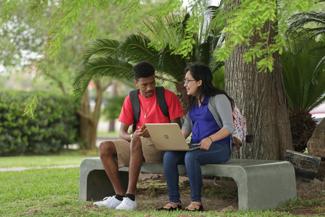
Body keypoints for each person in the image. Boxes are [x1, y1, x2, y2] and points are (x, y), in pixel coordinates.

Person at [93, 61, 184, 210]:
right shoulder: (131, 99)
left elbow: (176, 130)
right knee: (105, 147)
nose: (149, 88)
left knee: (136, 140)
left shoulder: (168, 97)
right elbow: (121, 132)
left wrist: (154, 132)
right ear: (136, 83)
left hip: (160, 147)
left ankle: (130, 197)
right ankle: (119, 196)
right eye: (144, 85)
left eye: (152, 83)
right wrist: (133, 136)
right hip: (136, 145)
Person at [159, 63, 234, 211]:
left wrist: (210, 139)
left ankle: (196, 202)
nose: (185, 84)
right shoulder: (192, 104)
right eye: (185, 80)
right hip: (196, 147)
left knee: (191, 157)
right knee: (169, 156)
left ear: (199, 82)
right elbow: (185, 132)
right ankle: (174, 201)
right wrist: (171, 141)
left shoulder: (218, 98)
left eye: (188, 80)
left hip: (219, 148)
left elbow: (228, 127)